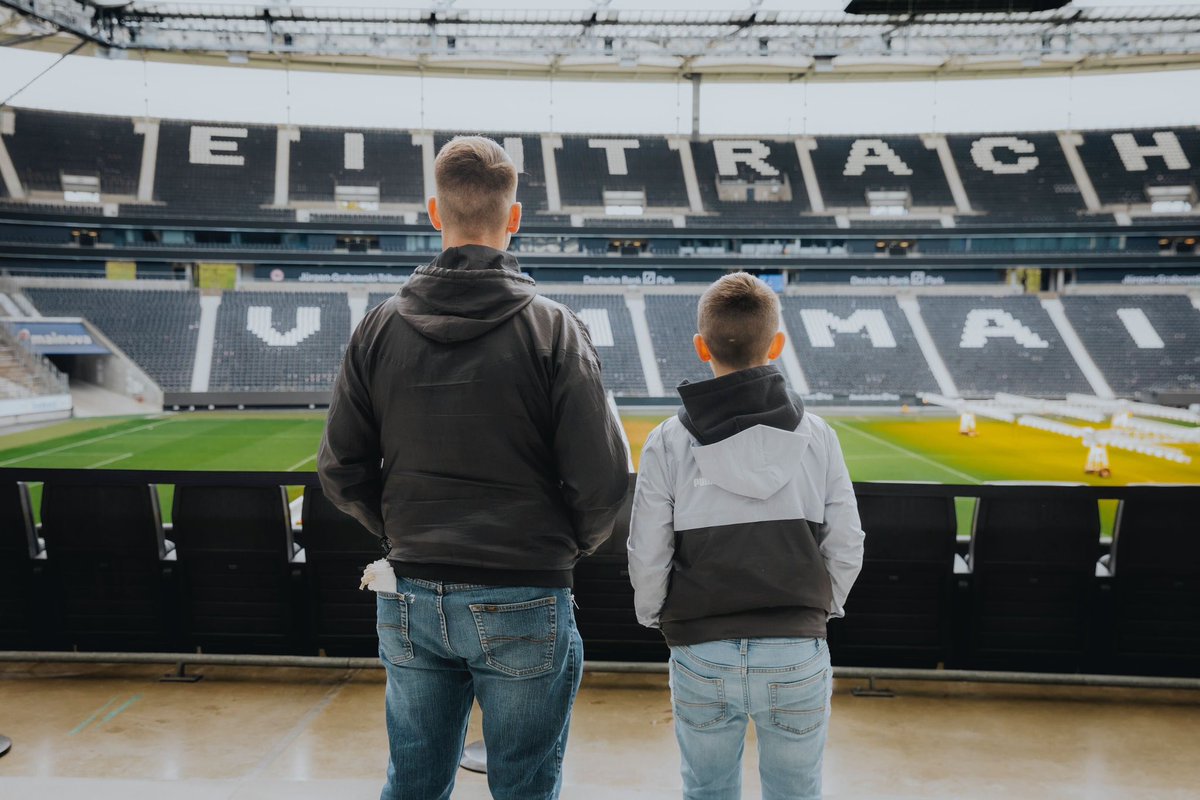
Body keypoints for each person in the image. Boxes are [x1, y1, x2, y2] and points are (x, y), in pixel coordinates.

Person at [318, 135, 630, 800]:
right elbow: (602, 480)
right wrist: (564, 545)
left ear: (436, 214)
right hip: (525, 587)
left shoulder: (376, 329)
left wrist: (402, 531)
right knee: (525, 785)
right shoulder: (554, 330)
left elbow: (341, 469)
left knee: (413, 780)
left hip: (409, 587)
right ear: (513, 218)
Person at [626, 272, 865, 800]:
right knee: (796, 791)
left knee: (706, 791)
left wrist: (654, 614)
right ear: (776, 344)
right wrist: (820, 611)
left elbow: (647, 550)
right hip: (797, 648)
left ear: (700, 346)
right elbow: (847, 542)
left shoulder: (668, 440)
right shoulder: (818, 436)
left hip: (700, 647)